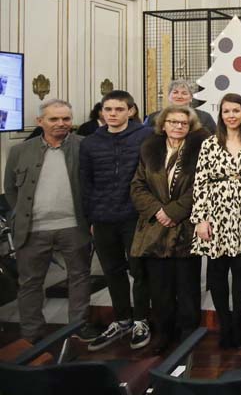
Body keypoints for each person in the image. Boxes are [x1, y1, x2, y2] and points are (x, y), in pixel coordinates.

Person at [3, 99, 96, 343]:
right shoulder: (20, 151)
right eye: (54, 119)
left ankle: (78, 326)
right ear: (40, 121)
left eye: (66, 118)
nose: (61, 123)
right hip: (32, 229)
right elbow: (10, 189)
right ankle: (31, 333)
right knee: (30, 283)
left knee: (80, 277)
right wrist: (22, 213)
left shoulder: (84, 146)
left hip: (74, 226)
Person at [130, 104, 207, 354]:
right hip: (155, 229)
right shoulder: (149, 149)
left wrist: (173, 212)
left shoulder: (200, 150)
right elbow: (137, 186)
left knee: (187, 287)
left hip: (185, 227)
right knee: (160, 288)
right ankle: (164, 333)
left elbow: (201, 186)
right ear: (163, 125)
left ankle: (188, 335)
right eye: (173, 122)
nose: (178, 126)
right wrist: (158, 211)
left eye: (184, 123)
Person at [80, 90, 154, 351]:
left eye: (119, 109)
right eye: (108, 109)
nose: (112, 114)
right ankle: (122, 318)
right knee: (112, 271)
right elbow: (85, 183)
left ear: (130, 111)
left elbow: (152, 175)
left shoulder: (146, 136)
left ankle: (141, 320)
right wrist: (90, 217)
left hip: (135, 217)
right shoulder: (90, 142)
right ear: (102, 112)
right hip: (103, 218)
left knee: (139, 271)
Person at [191, 93, 241, 349]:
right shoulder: (210, 143)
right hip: (216, 213)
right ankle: (224, 324)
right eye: (226, 111)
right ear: (220, 115)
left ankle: (239, 323)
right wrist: (201, 219)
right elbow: (200, 182)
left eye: (236, 110)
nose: (231, 115)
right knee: (218, 273)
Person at [145, 79, 217, 134]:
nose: (179, 96)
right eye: (175, 92)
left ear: (191, 98)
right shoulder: (153, 118)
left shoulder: (205, 118)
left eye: (184, 93)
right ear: (169, 96)